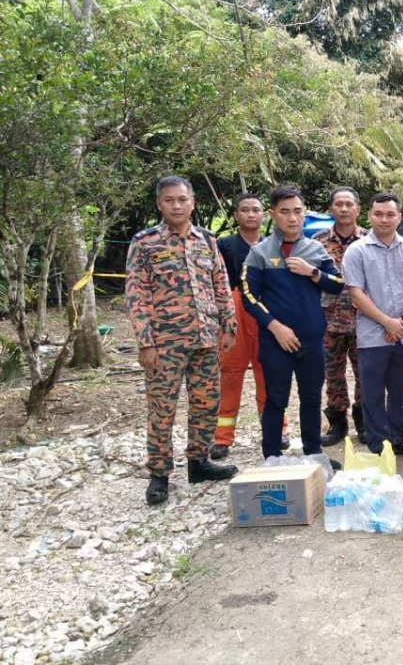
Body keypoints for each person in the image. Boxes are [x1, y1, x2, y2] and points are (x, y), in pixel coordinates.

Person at [125, 175, 238, 506]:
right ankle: (159, 474)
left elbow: (220, 283)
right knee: (162, 409)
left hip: (206, 339)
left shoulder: (206, 240)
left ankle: (198, 462)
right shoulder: (145, 243)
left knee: (206, 403)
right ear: (159, 204)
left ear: (192, 202)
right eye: (169, 200)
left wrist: (228, 325)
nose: (177, 206)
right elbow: (136, 295)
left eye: (182, 199)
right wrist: (145, 342)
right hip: (165, 344)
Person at [241, 184, 344, 460]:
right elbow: (249, 297)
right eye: (285, 212)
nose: (292, 218)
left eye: (298, 211)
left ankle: (314, 454)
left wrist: (313, 273)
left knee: (311, 398)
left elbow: (338, 284)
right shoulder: (260, 252)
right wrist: (275, 327)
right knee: (276, 400)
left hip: (312, 340)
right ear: (273, 214)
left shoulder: (315, 249)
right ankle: (272, 458)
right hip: (275, 341)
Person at [344, 192, 403, 457]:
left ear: (399, 217)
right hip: (372, 335)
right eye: (378, 214)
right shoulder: (357, 251)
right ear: (369, 215)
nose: (384, 219)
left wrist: (402, 321)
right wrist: (387, 323)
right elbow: (356, 293)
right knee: (372, 392)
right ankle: (379, 443)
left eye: (390, 214)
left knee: (402, 389)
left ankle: (400, 437)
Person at [210, 193, 288, 460]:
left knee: (269, 374)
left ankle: (276, 431)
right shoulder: (224, 245)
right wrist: (224, 320)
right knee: (230, 374)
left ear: (264, 214)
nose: (251, 214)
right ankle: (222, 437)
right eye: (245, 210)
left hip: (267, 315)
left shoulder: (274, 245)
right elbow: (215, 283)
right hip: (235, 315)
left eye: (256, 210)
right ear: (236, 215)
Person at [313, 187, 369, 446]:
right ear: (331, 209)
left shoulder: (369, 240)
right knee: (332, 374)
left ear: (358, 209)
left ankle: (364, 421)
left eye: (349, 204)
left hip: (363, 320)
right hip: (329, 320)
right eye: (339, 204)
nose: (344, 209)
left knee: (365, 373)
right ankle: (337, 423)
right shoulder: (318, 241)